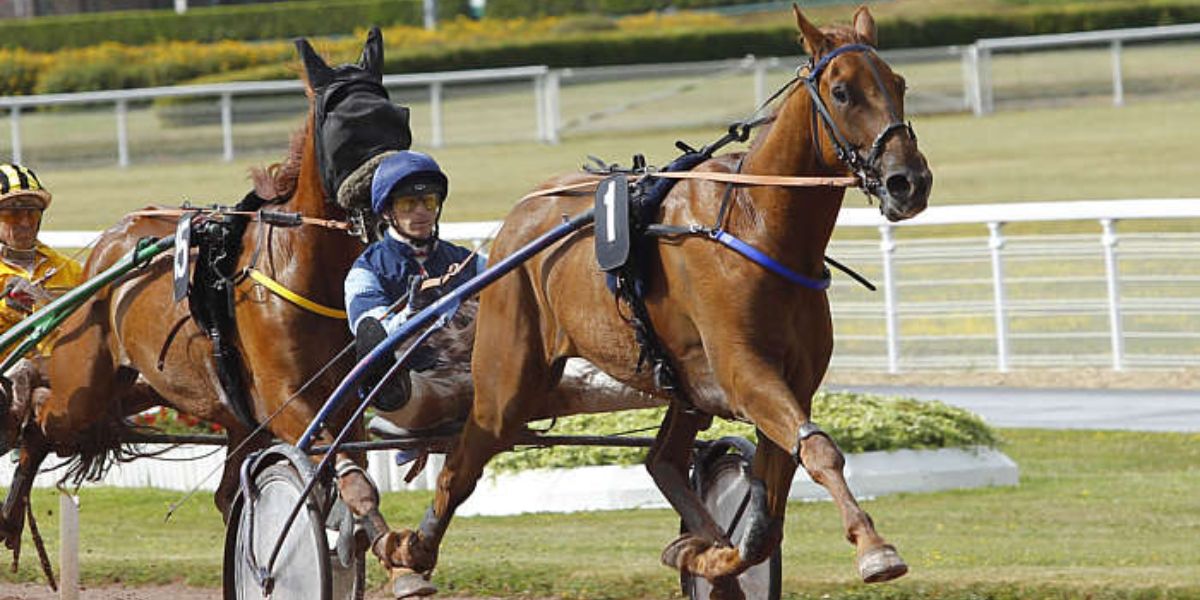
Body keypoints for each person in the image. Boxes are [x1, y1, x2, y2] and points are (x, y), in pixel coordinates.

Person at [344, 150, 485, 411]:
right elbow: (372, 332)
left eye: (429, 202)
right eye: (409, 204)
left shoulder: (469, 260)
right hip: (411, 385)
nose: (421, 212)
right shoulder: (366, 271)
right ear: (387, 212)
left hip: (475, 373)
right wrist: (413, 313)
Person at [0, 163, 83, 420]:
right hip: (8, 378)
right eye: (13, 212)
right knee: (23, 370)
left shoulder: (69, 269)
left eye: (32, 212)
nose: (25, 221)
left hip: (63, 376)